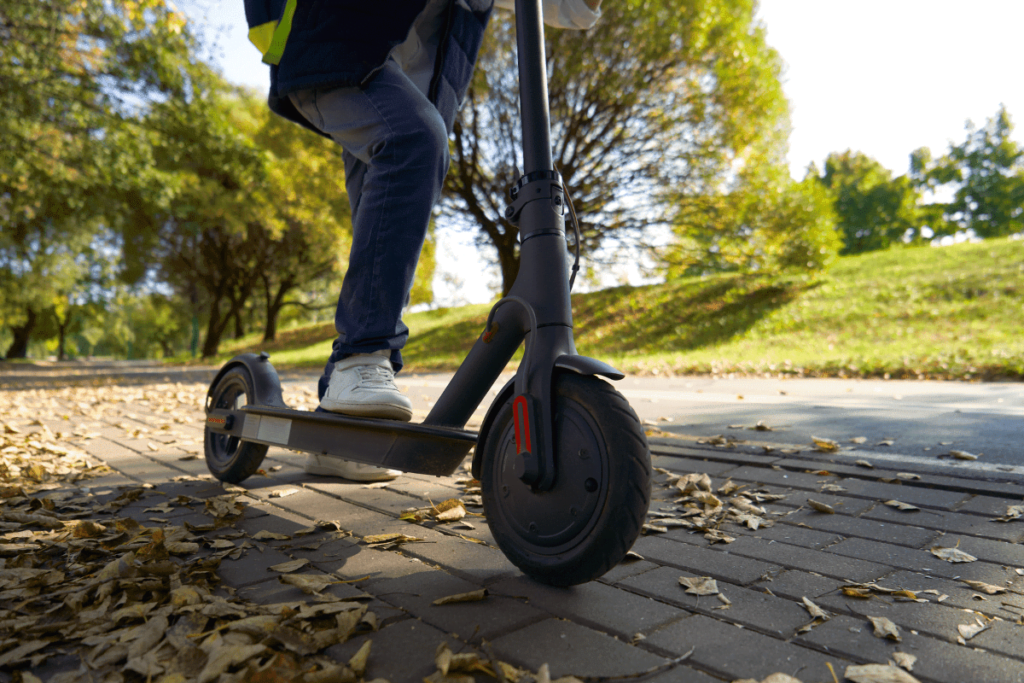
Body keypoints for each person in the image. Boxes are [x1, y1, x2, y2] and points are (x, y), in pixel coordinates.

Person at [244, 0, 602, 480]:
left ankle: (337, 424)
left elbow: (568, 8)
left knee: (382, 232)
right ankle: (360, 360)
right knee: (416, 140)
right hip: (334, 50)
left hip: (403, 86)